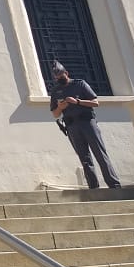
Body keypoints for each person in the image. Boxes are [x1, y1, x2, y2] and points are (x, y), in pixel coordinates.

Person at [50, 60, 121, 189]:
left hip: (87, 122)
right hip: (72, 126)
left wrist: (77, 101)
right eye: (57, 77)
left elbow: (95, 103)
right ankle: (93, 187)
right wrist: (60, 107)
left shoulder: (80, 84)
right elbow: (55, 114)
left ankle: (114, 185)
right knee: (84, 158)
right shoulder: (55, 91)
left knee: (100, 153)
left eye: (61, 75)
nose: (59, 78)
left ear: (66, 73)